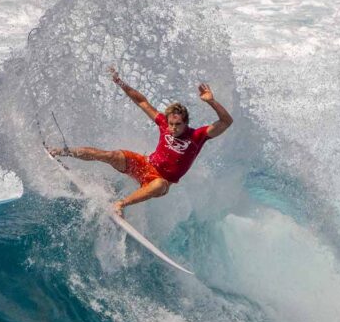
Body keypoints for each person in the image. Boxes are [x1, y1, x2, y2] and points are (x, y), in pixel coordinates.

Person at [49, 65, 233, 217]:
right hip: (144, 166)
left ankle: (120, 204)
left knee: (160, 184)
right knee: (111, 155)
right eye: (171, 124)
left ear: (186, 123)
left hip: (160, 182)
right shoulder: (163, 124)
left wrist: (211, 101)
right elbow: (142, 102)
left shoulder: (197, 136)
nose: (173, 128)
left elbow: (226, 122)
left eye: (178, 125)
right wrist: (120, 82)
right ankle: (63, 152)